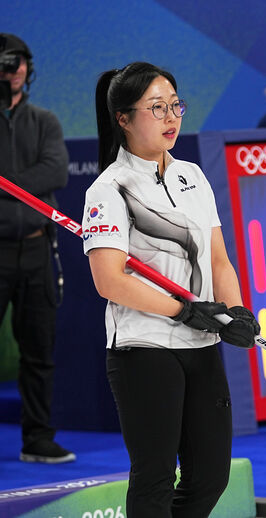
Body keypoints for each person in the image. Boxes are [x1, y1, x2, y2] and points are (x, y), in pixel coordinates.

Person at [86, 62, 260, 516]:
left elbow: (218, 259)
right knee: (155, 478)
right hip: (144, 349)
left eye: (175, 106)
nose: (171, 118)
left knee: (210, 476)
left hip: (201, 344)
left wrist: (237, 311)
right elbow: (109, 280)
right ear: (123, 118)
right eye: (156, 108)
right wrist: (180, 310)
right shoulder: (108, 189)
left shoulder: (194, 176)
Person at [0, 33, 73, 464]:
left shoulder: (45, 120)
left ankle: (38, 438)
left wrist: (6, 183)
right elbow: (40, 176)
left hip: (36, 249)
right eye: (5, 62)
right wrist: (26, 184)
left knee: (39, 351)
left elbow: (56, 172)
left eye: (18, 62)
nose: (12, 70)